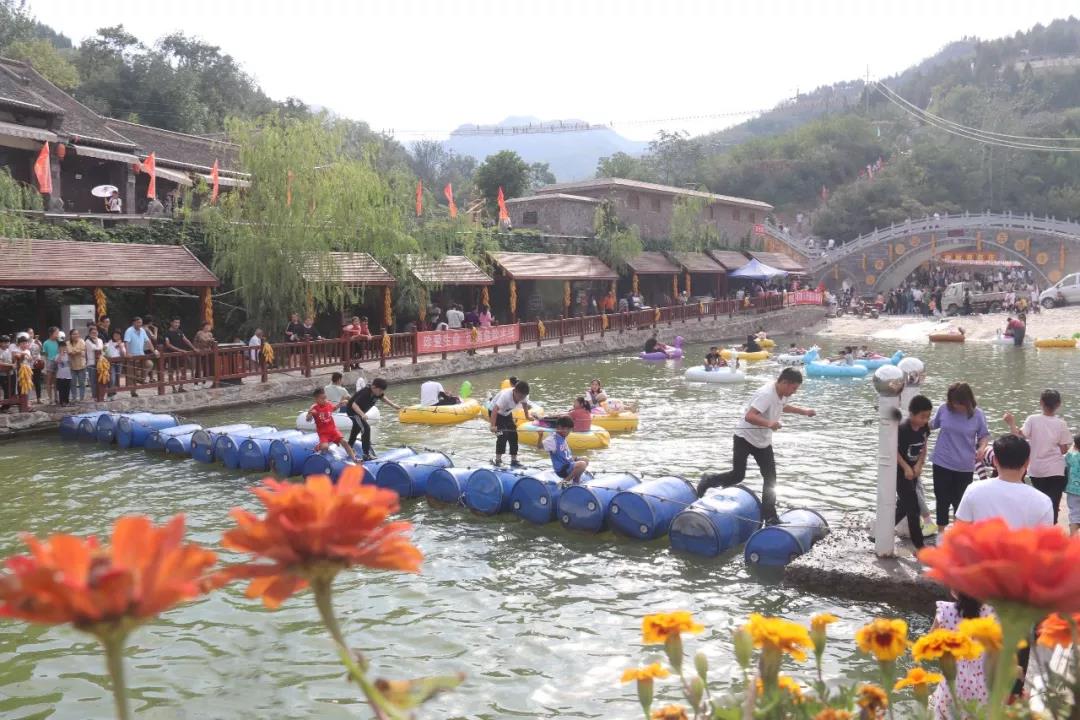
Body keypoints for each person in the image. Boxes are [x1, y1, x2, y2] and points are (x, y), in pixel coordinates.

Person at [697, 367, 816, 524]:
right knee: (738, 475)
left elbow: (782, 406)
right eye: (794, 388)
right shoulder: (766, 394)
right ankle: (708, 480)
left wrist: (804, 411)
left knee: (770, 479)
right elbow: (750, 416)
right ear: (785, 383)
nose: (794, 392)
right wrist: (770, 423)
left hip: (763, 441)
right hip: (744, 438)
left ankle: (770, 517)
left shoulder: (782, 393)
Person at [1004, 389, 1072, 525]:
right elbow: (1064, 449)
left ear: (1041, 402)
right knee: (1053, 503)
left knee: (1039, 501)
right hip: (1056, 469)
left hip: (1036, 470)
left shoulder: (1033, 419)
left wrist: (1011, 423)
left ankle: (1038, 529)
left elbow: (1019, 437)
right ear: (1058, 404)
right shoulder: (1061, 423)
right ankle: (1051, 528)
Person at [930, 382, 990, 529]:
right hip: (942, 461)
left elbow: (983, 436)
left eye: (958, 403)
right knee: (942, 499)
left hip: (964, 466)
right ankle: (941, 533)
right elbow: (931, 425)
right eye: (952, 402)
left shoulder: (977, 415)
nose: (955, 406)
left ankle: (958, 533)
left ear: (967, 401)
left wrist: (982, 448)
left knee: (961, 502)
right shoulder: (944, 409)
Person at [929, 593, 994, 718]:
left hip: (952, 680)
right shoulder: (991, 614)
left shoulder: (945, 610)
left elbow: (931, 643)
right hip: (982, 684)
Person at [896, 395, 933, 550]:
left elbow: (924, 447)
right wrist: (906, 467)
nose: (925, 420)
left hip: (914, 472)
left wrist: (919, 465)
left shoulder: (925, 428)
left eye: (928, 416)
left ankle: (881, 531)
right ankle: (920, 547)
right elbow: (894, 451)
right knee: (913, 509)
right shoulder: (903, 429)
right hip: (901, 473)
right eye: (922, 416)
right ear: (911, 414)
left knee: (903, 506)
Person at [346, 377, 400, 460]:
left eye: (382, 391)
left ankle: (349, 447)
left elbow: (383, 398)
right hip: (353, 412)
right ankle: (366, 454)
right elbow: (354, 405)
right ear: (373, 387)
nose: (381, 392)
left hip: (359, 412)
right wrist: (362, 414)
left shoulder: (377, 392)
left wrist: (393, 405)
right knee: (366, 428)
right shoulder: (365, 392)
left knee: (357, 428)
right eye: (380, 390)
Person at [490, 380, 536, 468]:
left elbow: (525, 403)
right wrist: (492, 426)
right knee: (502, 435)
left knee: (513, 435)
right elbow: (495, 410)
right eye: (519, 396)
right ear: (515, 391)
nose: (521, 398)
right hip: (495, 413)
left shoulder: (524, 395)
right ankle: (498, 460)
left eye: (523, 396)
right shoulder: (506, 396)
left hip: (506, 413)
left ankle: (514, 460)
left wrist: (527, 416)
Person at [307, 387, 357, 461]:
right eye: (322, 398)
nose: (325, 400)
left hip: (333, 430)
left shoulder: (328, 404)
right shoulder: (314, 407)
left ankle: (354, 459)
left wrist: (341, 404)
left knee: (345, 442)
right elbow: (308, 419)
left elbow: (334, 408)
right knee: (325, 447)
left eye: (325, 397)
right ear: (316, 399)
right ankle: (318, 447)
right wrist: (310, 414)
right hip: (323, 433)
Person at [540, 416, 589, 484]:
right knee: (582, 464)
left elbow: (565, 455)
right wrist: (540, 436)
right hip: (562, 469)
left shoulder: (562, 437)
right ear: (559, 428)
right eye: (567, 429)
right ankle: (565, 482)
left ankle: (576, 479)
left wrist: (574, 459)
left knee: (585, 459)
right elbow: (539, 447)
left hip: (568, 464)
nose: (568, 432)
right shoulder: (552, 439)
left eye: (569, 429)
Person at [124, 317, 157, 397]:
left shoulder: (142, 330)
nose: (140, 324)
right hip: (132, 356)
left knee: (149, 364)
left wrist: (154, 351)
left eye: (141, 323)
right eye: (138, 322)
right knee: (132, 373)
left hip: (141, 355)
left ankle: (141, 379)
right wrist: (127, 353)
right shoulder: (129, 330)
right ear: (134, 323)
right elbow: (126, 342)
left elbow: (148, 341)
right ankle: (133, 392)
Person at [67, 328, 88, 402]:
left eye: (77, 334)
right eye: (74, 334)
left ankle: (82, 398)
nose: (75, 335)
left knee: (82, 383)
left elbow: (83, 350)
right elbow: (70, 352)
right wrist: (78, 351)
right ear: (70, 335)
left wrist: (75, 351)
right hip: (72, 366)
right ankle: (74, 398)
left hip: (81, 365)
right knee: (72, 383)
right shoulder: (68, 343)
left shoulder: (82, 341)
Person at [1065, 434, 1080, 535]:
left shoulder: (1071, 456)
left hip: (1073, 490)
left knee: (1074, 513)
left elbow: (1065, 465)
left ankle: (1073, 536)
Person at [104, 329, 126, 397]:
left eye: (118, 335)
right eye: (115, 334)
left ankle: (114, 391)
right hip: (111, 363)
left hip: (119, 362)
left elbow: (123, 355)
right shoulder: (108, 343)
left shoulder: (122, 343)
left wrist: (120, 346)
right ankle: (110, 392)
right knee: (112, 377)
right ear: (112, 335)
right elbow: (104, 352)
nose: (116, 336)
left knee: (117, 377)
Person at [84, 325, 103, 400]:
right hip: (91, 363)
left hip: (100, 363)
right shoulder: (87, 341)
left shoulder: (100, 340)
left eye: (95, 332)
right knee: (93, 380)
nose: (94, 334)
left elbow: (101, 348)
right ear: (89, 334)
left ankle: (100, 394)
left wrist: (96, 341)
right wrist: (96, 343)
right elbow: (94, 348)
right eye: (92, 333)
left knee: (100, 380)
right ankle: (94, 396)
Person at [42, 326, 60, 404]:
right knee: (49, 381)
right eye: (56, 333)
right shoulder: (46, 343)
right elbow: (44, 354)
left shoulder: (58, 342)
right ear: (51, 333)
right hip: (49, 362)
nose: (58, 334)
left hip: (58, 362)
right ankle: (50, 398)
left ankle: (56, 397)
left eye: (58, 333)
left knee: (56, 381)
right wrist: (45, 365)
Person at [54, 334, 71, 406]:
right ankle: (62, 402)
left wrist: (67, 352)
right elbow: (57, 361)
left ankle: (66, 401)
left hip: (68, 376)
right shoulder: (57, 356)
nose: (63, 349)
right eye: (61, 347)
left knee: (67, 389)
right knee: (61, 389)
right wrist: (61, 354)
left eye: (64, 347)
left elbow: (71, 362)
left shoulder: (68, 355)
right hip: (60, 376)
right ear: (58, 348)